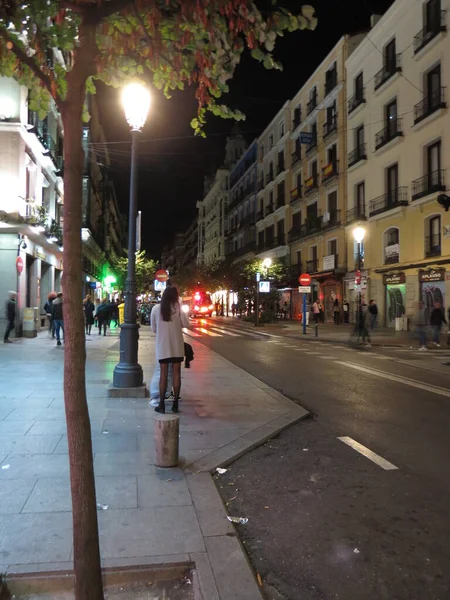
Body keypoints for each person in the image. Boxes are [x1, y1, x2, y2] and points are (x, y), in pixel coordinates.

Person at [151, 286, 188, 414]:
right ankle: (175, 405)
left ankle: (161, 405)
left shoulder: (156, 309)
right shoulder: (178, 309)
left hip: (163, 347)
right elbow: (186, 324)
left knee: (163, 374)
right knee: (177, 374)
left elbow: (153, 329)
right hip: (177, 347)